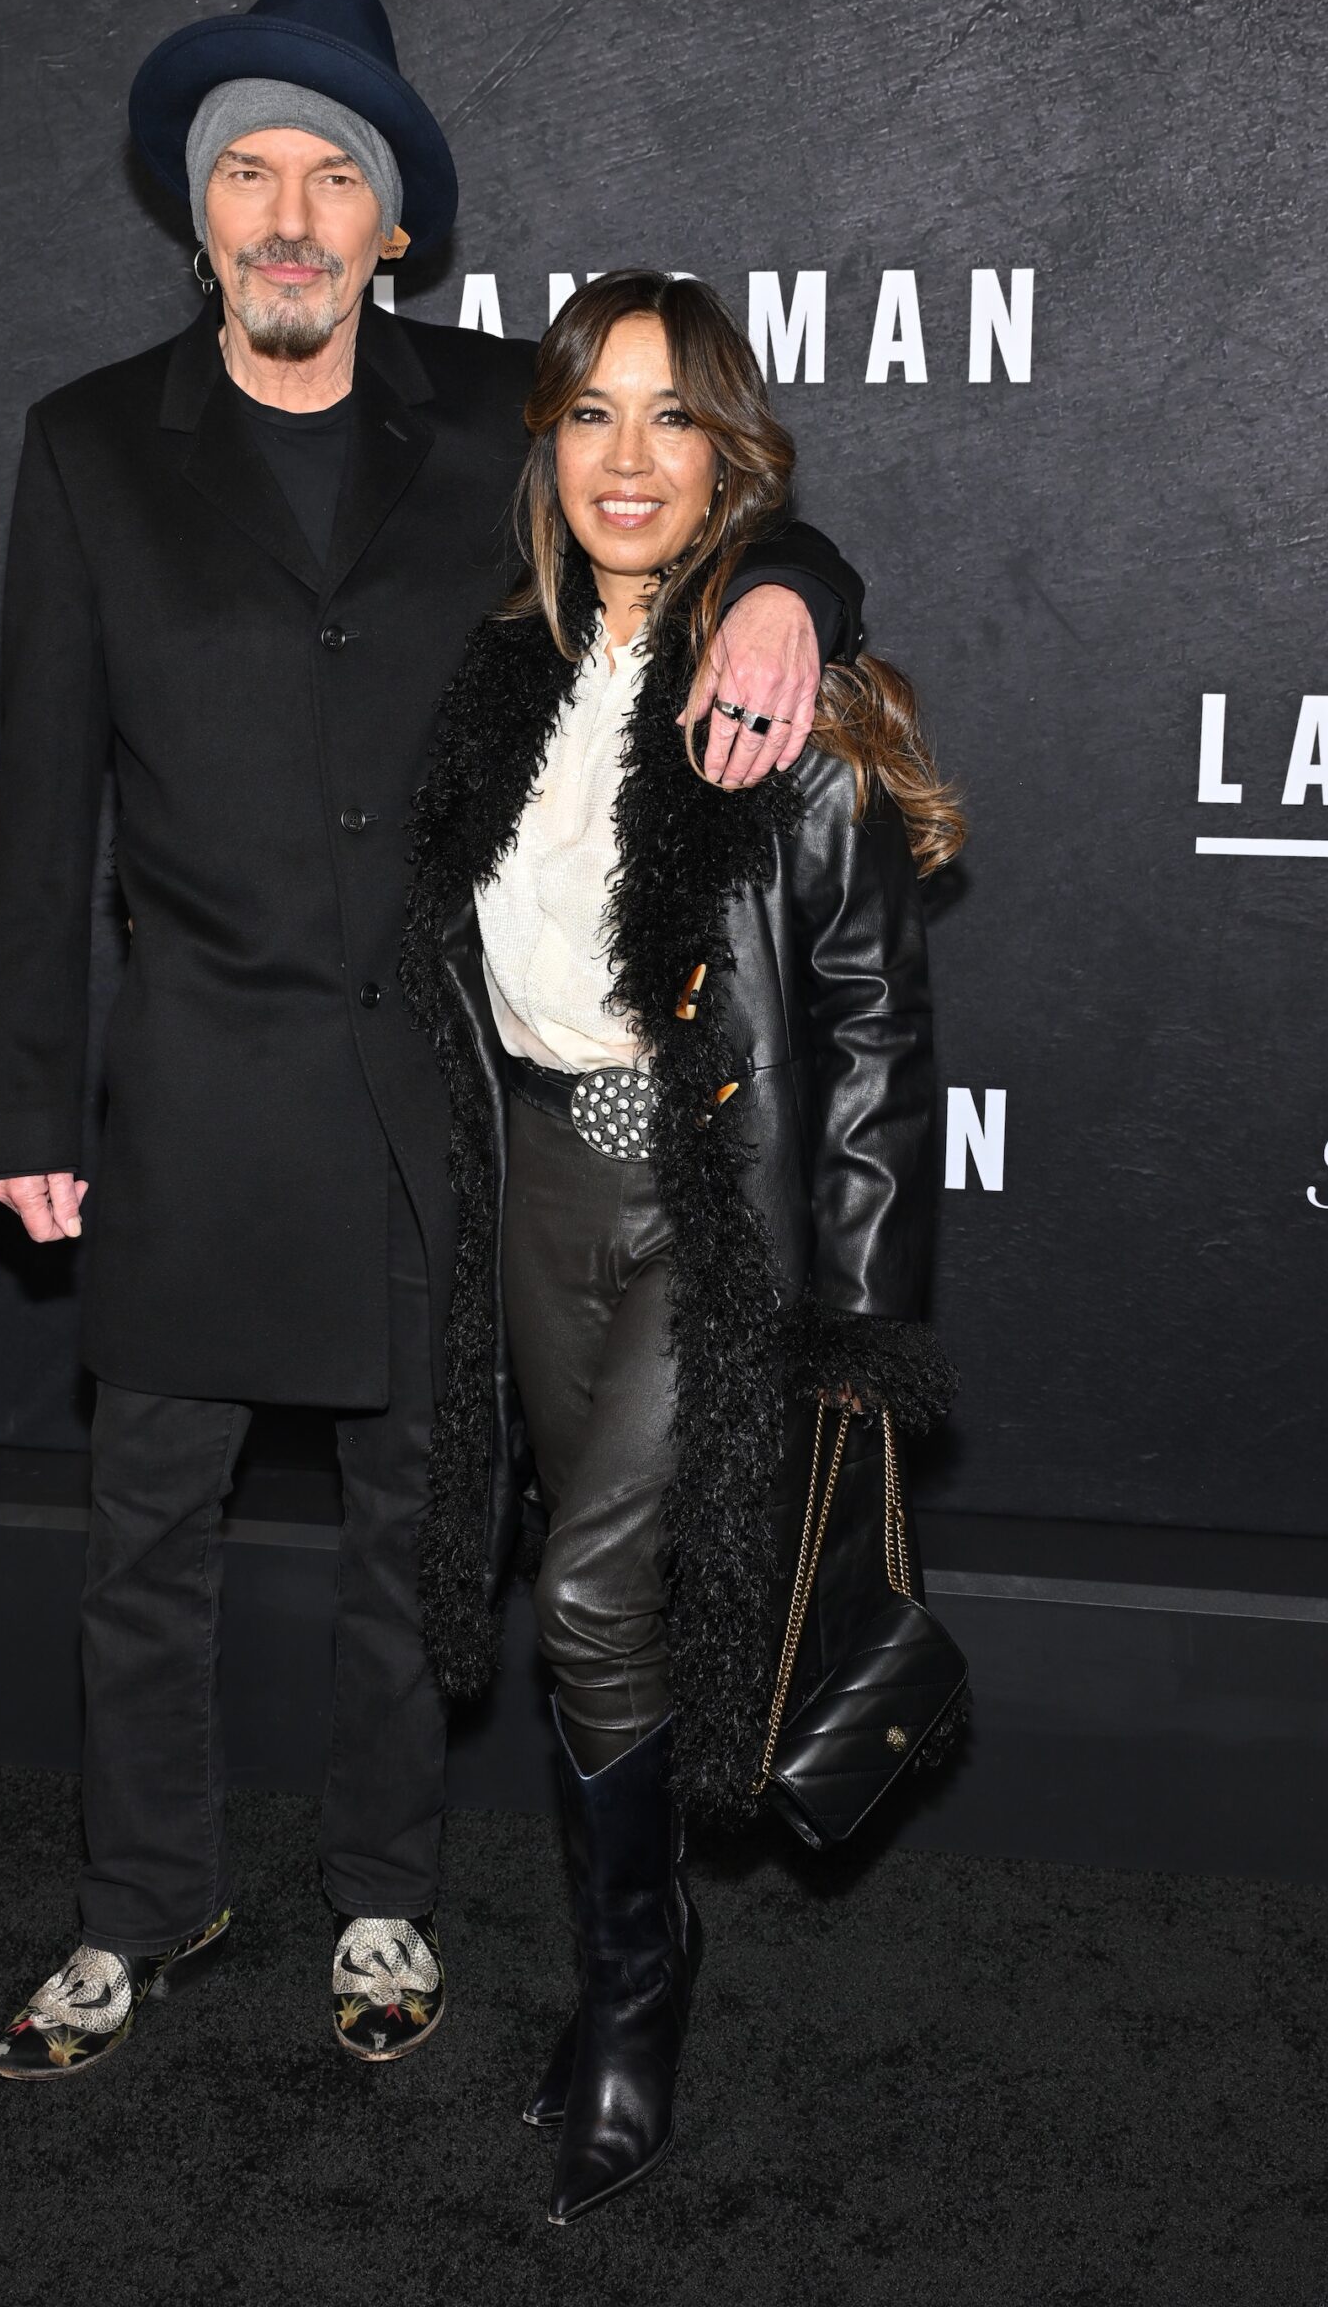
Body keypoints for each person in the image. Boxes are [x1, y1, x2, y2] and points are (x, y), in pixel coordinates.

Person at [0, 0, 868, 2081]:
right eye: (249, 176)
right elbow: (37, 796)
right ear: (199, 223)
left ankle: (384, 1890)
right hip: (191, 1077)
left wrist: (790, 595)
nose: (288, 214)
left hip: (424, 1086)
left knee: (417, 1526)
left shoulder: (497, 423)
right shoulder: (89, 445)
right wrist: (24, 1084)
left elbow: (721, 507)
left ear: (394, 226)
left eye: (333, 176)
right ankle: (137, 1899)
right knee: (142, 1542)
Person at [401, 269, 963, 2219]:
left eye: (670, 417)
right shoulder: (494, 680)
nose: (626, 458)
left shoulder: (774, 693)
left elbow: (877, 1021)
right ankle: (633, 1951)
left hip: (694, 1207)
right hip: (536, 1182)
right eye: (589, 414)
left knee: (577, 1602)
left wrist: (858, 1320)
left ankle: (633, 2001)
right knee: (595, 1626)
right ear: (542, 446)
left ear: (729, 454)